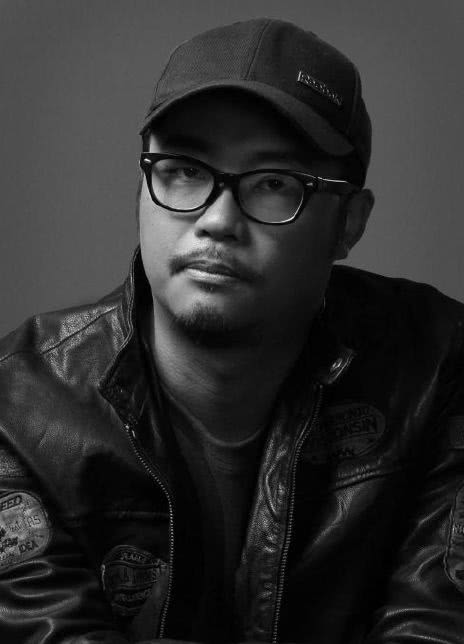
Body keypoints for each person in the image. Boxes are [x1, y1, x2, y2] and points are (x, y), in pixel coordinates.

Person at [0, 16, 463, 644]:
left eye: (274, 183)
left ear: (349, 223)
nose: (217, 220)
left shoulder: (439, 369)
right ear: (143, 185)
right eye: (185, 170)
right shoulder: (19, 411)